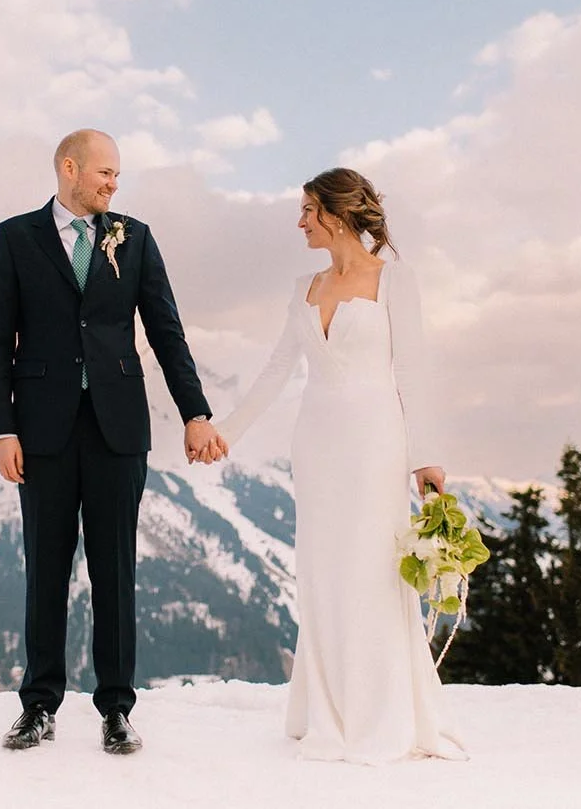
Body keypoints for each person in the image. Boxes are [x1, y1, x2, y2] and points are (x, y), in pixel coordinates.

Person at [0, 128, 227, 755]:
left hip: (118, 429)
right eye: (105, 173)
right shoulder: (14, 238)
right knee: (46, 569)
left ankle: (117, 709)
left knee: (115, 571)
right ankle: (38, 706)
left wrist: (195, 413)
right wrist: (3, 428)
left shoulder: (134, 237)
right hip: (42, 430)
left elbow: (166, 331)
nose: (114, 185)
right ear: (69, 168)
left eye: (117, 175)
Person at [209, 167, 465, 764]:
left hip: (376, 443)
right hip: (316, 444)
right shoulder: (306, 285)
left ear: (338, 213)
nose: (299, 222)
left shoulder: (395, 280)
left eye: (308, 210)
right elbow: (278, 369)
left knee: (371, 568)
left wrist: (425, 458)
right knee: (322, 569)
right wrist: (226, 433)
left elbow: (412, 370)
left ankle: (380, 712)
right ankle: (327, 708)